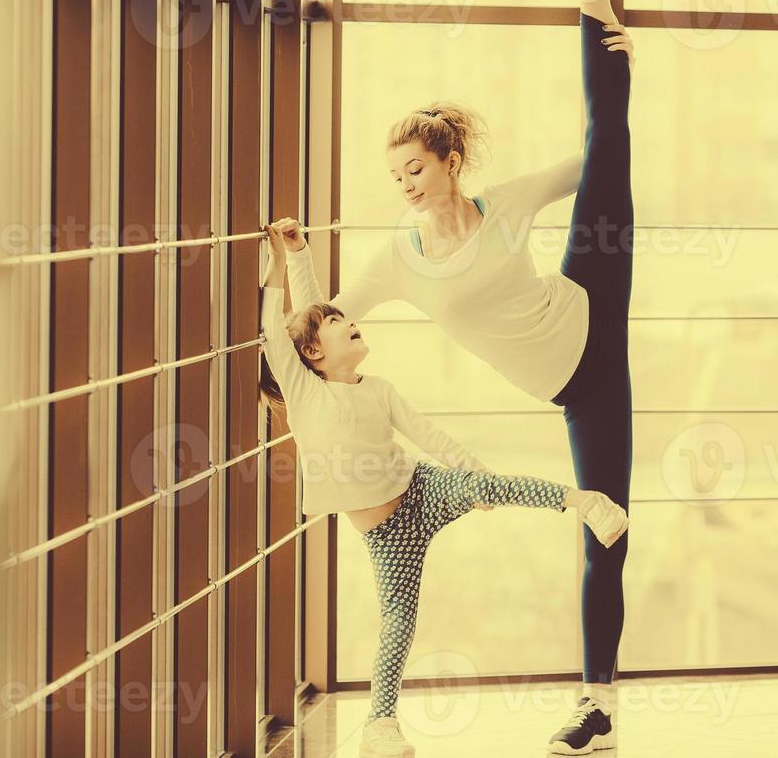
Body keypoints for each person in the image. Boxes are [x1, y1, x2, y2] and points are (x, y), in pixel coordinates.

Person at [275, 0, 637, 754]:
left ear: (448, 164)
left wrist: (621, 90)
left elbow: (590, 163)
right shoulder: (399, 259)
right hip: (580, 386)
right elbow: (320, 317)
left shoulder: (503, 204)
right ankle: (601, 707)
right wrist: (294, 257)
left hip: (591, 300)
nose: (404, 184)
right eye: (394, 174)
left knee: (609, 140)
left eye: (416, 169)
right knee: (604, 518)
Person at [259, 221, 628, 758]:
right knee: (399, 623)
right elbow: (284, 329)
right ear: (314, 353)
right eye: (338, 324)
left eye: (348, 317)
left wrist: (474, 476)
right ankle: (380, 727)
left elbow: (427, 435)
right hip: (388, 535)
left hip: (421, 489)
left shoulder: (379, 390)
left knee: (488, 483)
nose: (350, 320)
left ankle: (585, 501)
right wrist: (287, 260)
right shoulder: (305, 396)